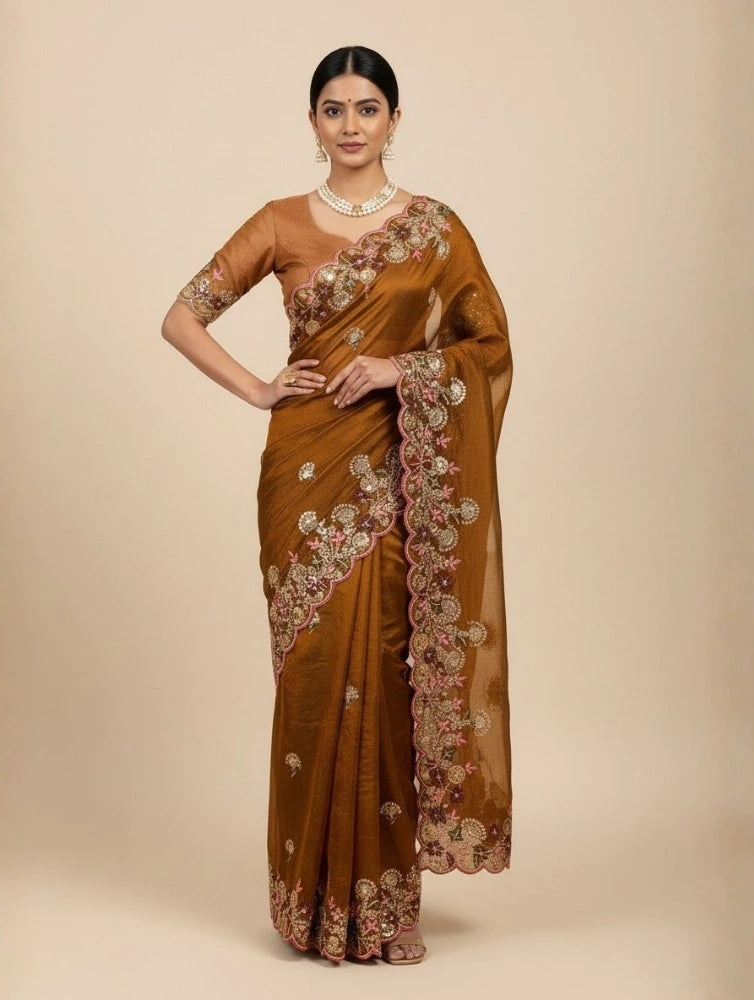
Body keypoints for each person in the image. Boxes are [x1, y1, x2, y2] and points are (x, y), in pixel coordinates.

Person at [161, 45, 513, 965]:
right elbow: (182, 315)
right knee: (315, 679)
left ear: (395, 119)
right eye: (332, 109)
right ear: (312, 122)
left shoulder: (436, 231)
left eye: (367, 108)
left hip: (393, 475)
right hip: (303, 473)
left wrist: (404, 368)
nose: (350, 125)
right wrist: (257, 388)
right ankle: (312, 905)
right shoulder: (279, 223)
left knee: (388, 669)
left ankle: (383, 908)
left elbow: (489, 346)